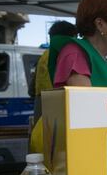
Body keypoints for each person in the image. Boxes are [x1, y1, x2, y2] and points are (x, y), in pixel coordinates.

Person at [29, 21, 77, 154]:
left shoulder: (44, 56)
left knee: (42, 141)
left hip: (40, 101)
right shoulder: (67, 53)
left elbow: (31, 87)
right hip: (58, 102)